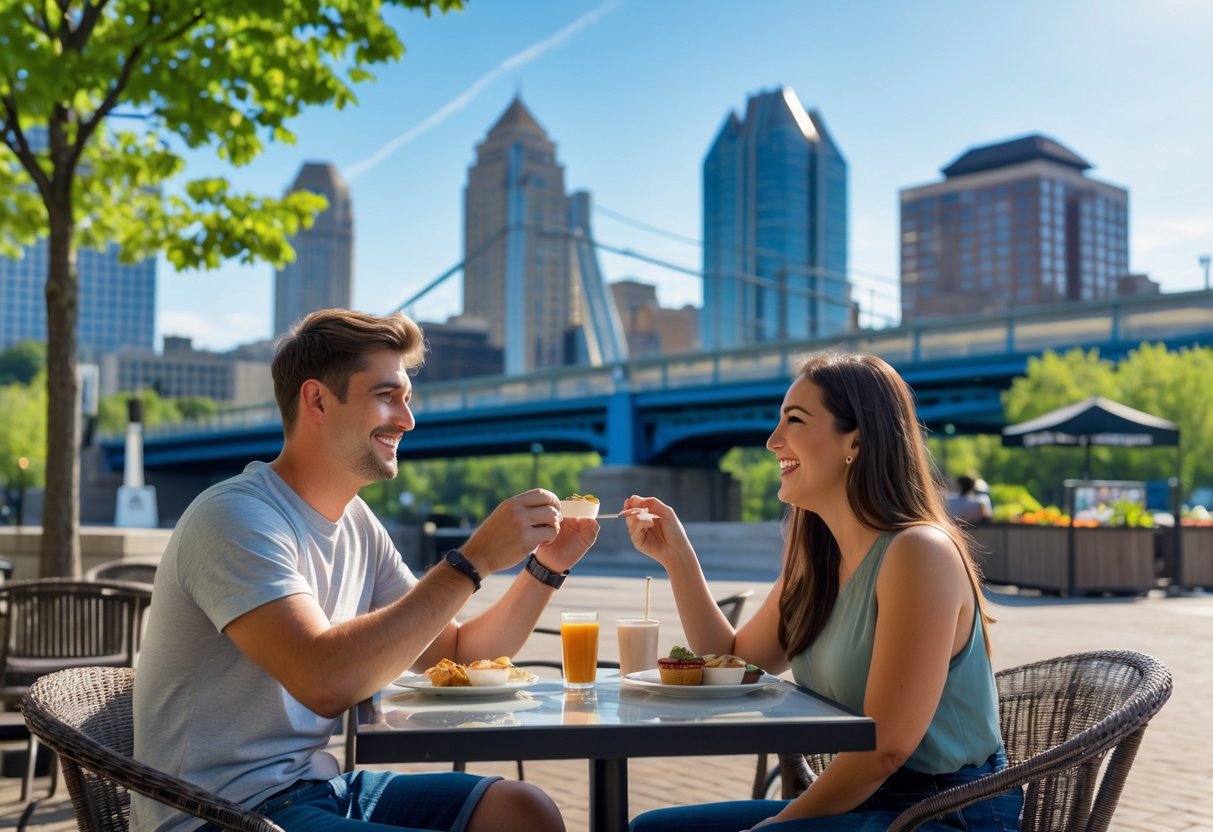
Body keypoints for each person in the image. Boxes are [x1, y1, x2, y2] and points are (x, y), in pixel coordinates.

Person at [132, 308, 599, 832]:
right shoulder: (234, 517)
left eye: (406, 398)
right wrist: (473, 560)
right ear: (317, 401)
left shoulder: (356, 522)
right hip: (217, 815)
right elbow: (324, 680)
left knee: (523, 811)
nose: (407, 419)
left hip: (316, 790)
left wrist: (543, 569)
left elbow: (461, 656)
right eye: (386, 396)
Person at [624, 352, 1022, 832]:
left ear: (854, 441)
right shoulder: (815, 556)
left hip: (945, 812)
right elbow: (731, 663)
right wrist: (677, 558)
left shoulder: (919, 553)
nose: (772, 442)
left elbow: (886, 748)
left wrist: (777, 824)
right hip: (862, 799)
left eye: (794, 420)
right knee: (652, 829)